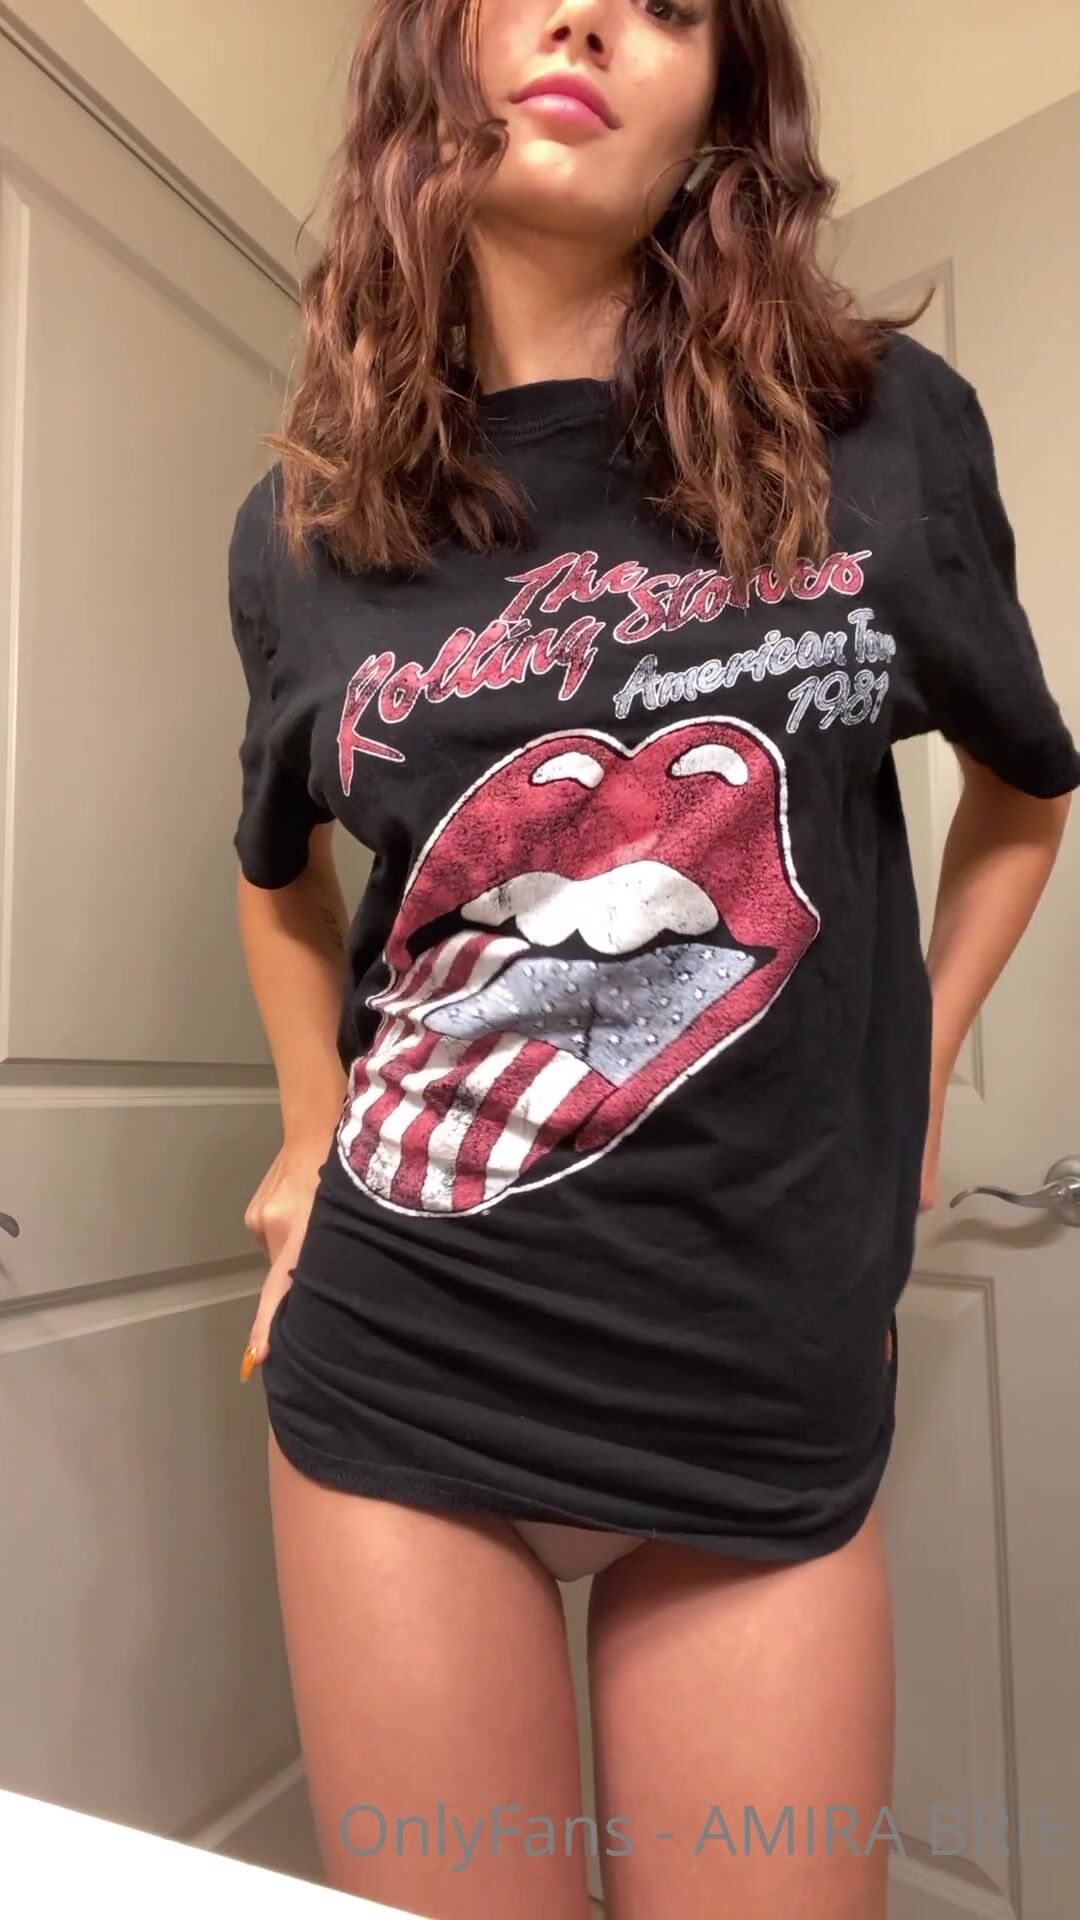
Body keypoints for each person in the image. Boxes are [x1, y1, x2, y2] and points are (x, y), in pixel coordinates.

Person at [226, 2, 1080, 1915]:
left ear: (719, 108)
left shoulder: (882, 431)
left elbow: (1028, 795)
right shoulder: (304, 533)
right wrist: (305, 1129)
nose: (593, 17)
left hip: (761, 1380)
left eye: (675, 4)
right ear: (427, 55)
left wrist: (916, 1073)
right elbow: (276, 875)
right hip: (407, 1359)